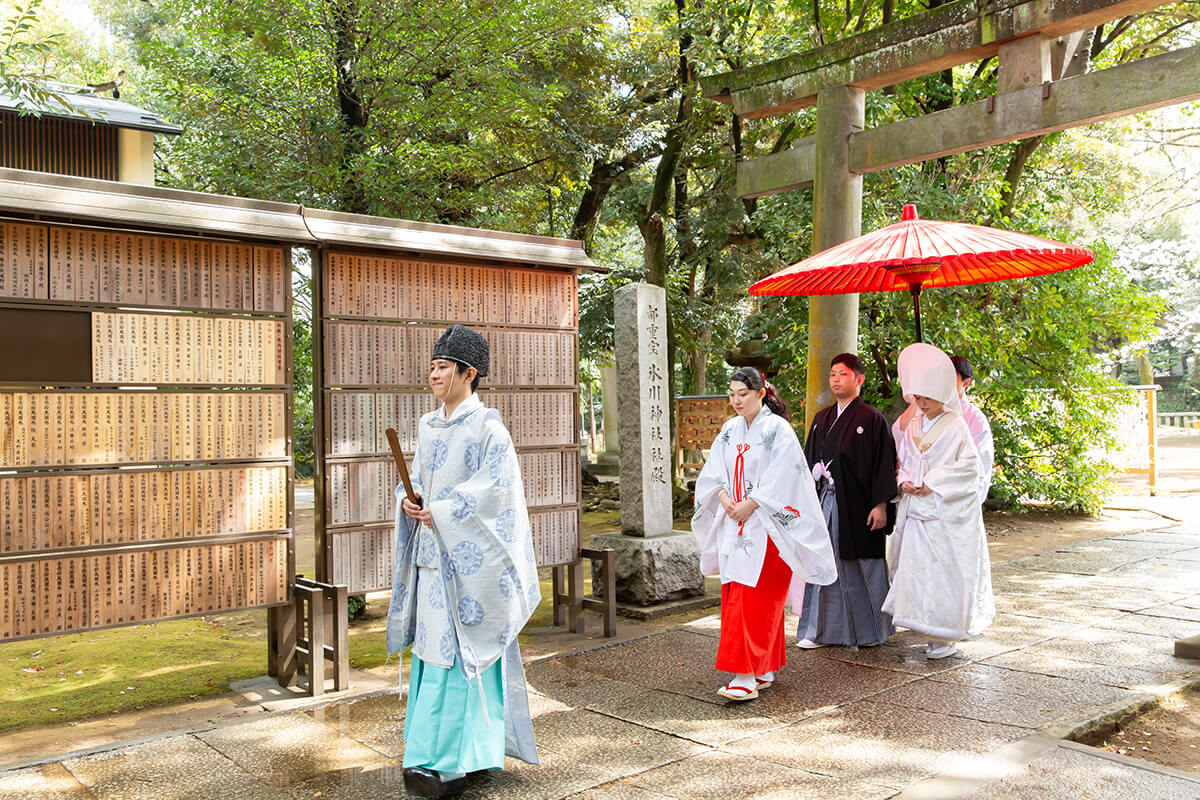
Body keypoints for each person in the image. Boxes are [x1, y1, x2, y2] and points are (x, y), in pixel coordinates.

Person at [386, 325, 541, 798]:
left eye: (443, 367)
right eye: (432, 366)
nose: (433, 374)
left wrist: (447, 510)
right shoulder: (426, 425)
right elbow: (414, 479)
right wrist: (408, 502)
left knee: (461, 656)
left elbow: (499, 490)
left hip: (470, 569)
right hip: (433, 559)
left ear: (469, 373)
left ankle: (456, 760)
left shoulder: (488, 427)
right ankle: (428, 753)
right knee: (434, 656)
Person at [692, 367, 837, 702]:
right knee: (739, 596)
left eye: (743, 394)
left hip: (768, 528)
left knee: (755, 600)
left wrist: (753, 502)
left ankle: (744, 674)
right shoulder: (730, 430)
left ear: (761, 393)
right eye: (731, 394)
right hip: (736, 523)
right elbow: (714, 473)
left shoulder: (778, 430)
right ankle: (763, 667)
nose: (736, 401)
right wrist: (726, 498)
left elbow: (787, 477)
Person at [883, 343, 995, 660]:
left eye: (927, 398)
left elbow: (970, 468)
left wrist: (931, 481)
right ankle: (924, 628)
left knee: (943, 572)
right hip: (916, 511)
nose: (922, 403)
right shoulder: (915, 424)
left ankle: (945, 633)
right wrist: (903, 480)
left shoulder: (958, 425)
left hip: (942, 511)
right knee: (916, 572)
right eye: (917, 398)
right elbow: (903, 459)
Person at [795, 353, 899, 649]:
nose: (836, 380)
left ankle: (870, 632)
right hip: (825, 502)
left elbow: (883, 464)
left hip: (857, 507)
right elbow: (807, 460)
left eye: (843, 374)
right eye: (833, 375)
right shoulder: (822, 419)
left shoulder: (872, 419)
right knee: (823, 562)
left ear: (859, 379)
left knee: (859, 564)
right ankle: (819, 631)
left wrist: (881, 504)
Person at [894, 355, 994, 495]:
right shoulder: (919, 415)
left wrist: (935, 482)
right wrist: (904, 479)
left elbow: (973, 466)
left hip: (946, 497)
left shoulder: (972, 419)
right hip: (915, 496)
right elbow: (901, 444)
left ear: (966, 382)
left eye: (951, 378)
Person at [950, 355, 995, 493]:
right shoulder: (925, 413)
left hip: (961, 496)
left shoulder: (975, 418)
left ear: (966, 382)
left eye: (952, 378)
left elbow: (980, 463)